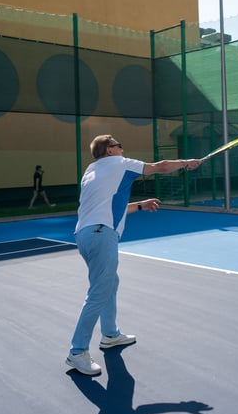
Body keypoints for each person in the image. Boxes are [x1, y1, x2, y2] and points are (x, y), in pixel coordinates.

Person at [66, 135, 202, 376]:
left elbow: (109, 205)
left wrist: (140, 205)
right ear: (109, 150)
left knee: (110, 283)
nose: (122, 148)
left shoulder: (91, 171)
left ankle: (110, 334)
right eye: (119, 145)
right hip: (101, 234)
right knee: (98, 292)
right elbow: (159, 167)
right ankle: (77, 352)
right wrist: (186, 162)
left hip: (84, 235)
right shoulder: (119, 163)